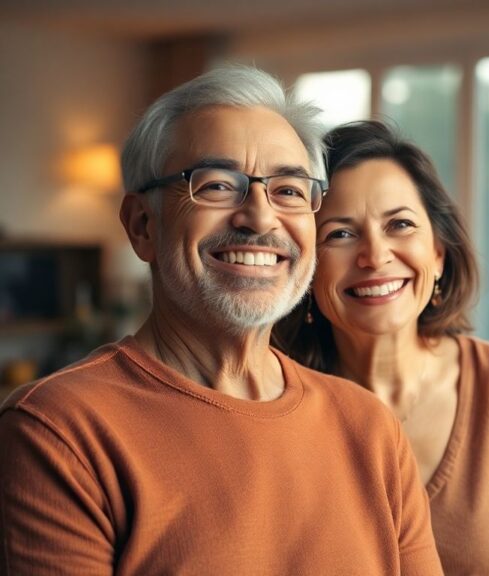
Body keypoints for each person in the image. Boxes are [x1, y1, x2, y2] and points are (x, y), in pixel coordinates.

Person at [0, 67, 443, 575]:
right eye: (215, 185)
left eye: (290, 191)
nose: (259, 217)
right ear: (142, 226)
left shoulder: (369, 429)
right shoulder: (59, 432)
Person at [274, 120, 489, 576]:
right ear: (308, 267)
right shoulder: (271, 404)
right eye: (340, 233)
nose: (375, 255)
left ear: (439, 253)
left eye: (400, 224)